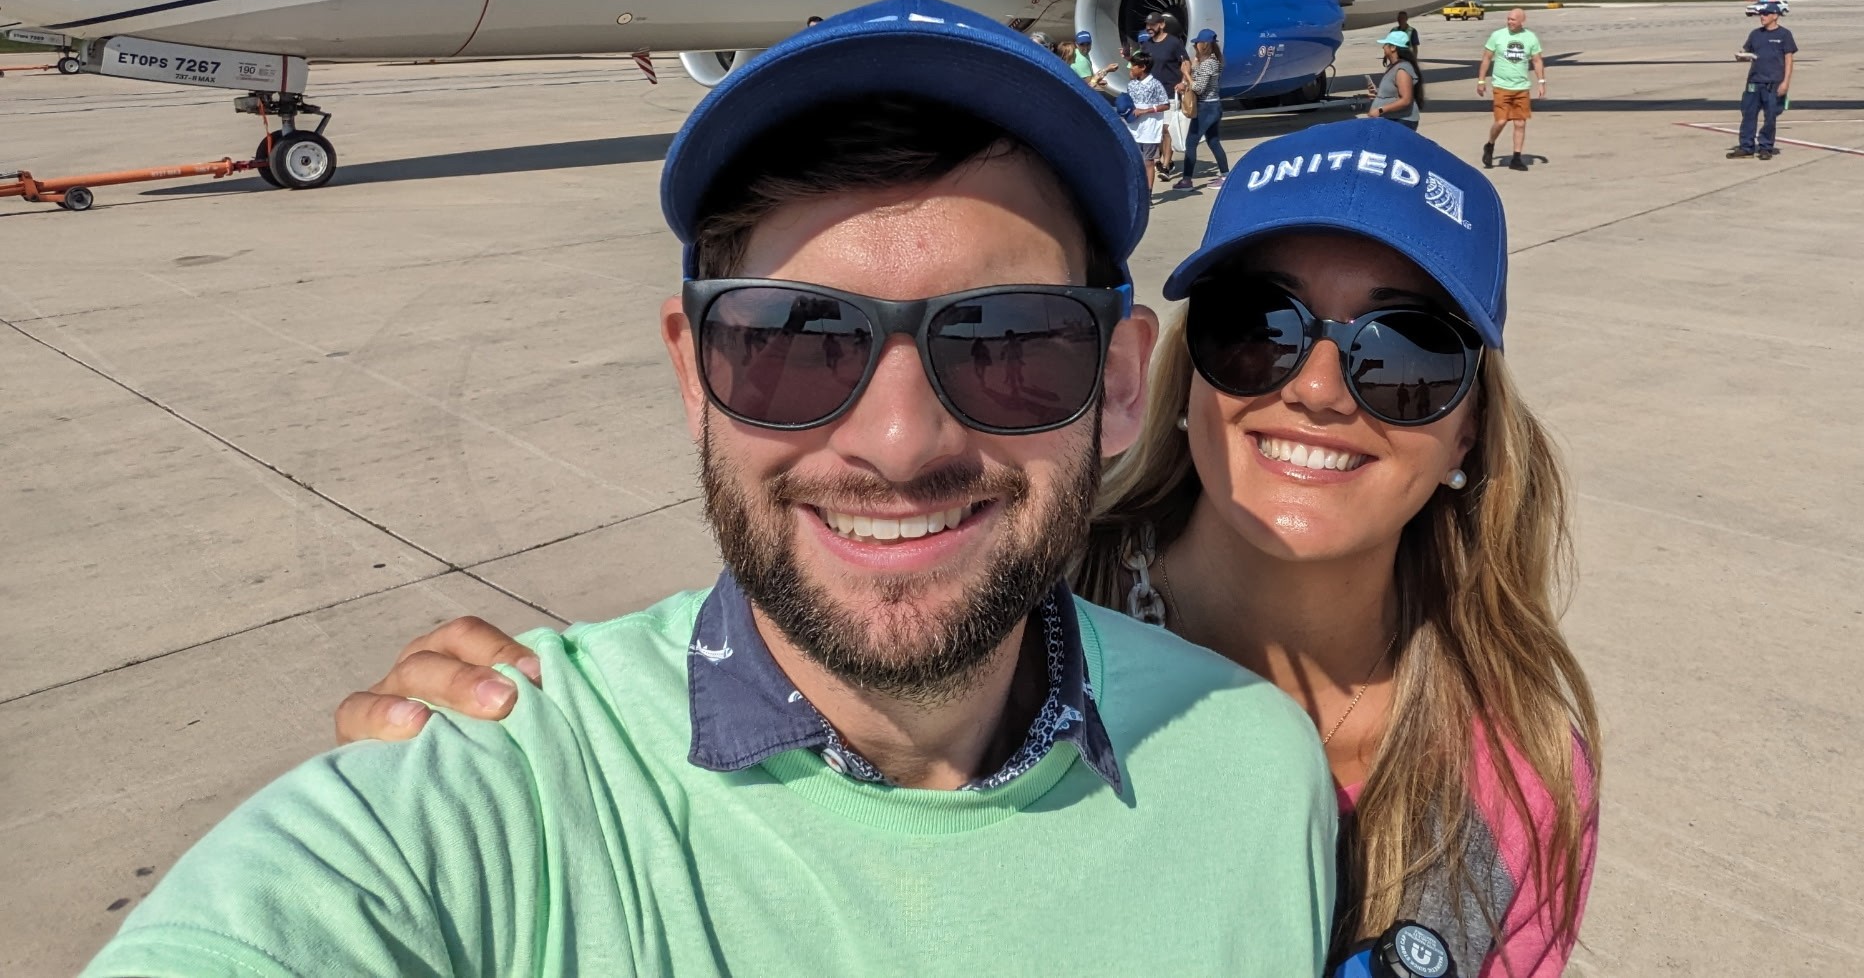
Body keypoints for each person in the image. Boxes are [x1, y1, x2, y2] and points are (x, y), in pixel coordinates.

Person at [86, 0, 1338, 978]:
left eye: (1006, 341)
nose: (896, 442)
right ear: (695, 376)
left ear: (1121, 386)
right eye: (794, 338)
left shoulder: (1258, 771)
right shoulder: (489, 791)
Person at [342, 118, 1600, 976]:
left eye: (1406, 350)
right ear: (1165, 371)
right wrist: (491, 747)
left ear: (1473, 426)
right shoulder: (1006, 600)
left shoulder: (1520, 764)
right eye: (1256, 328)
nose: (1319, 388)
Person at [1728, 0, 1797, 160]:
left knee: (1770, 116)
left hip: (1773, 83)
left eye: (1765, 14)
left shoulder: (1784, 35)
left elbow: (1789, 59)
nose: (1762, 17)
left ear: (1775, 16)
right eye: (1761, 14)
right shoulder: (1755, 34)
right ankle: (1746, 147)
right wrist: (1741, 57)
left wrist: (1785, 82)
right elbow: (1746, 52)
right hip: (1754, 82)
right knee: (1748, 114)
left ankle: (1766, 147)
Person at [1478, 9, 1545, 171]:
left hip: (1521, 87)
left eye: (1513, 20)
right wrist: (1481, 80)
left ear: (1522, 20)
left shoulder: (1530, 37)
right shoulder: (1498, 35)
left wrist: (1541, 82)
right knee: (1501, 121)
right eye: (1508, 19)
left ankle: (1516, 158)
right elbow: (1486, 58)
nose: (1509, 22)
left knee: (1520, 123)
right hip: (1501, 86)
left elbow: (1537, 61)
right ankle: (1490, 144)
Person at [1174, 28, 1229, 190]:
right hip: (1213, 106)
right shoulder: (1211, 62)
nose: (1195, 46)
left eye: (1197, 43)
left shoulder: (1209, 64)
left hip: (1207, 107)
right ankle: (1225, 175)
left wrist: (1187, 73)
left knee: (1191, 142)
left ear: (1203, 45)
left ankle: (1187, 180)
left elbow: (1198, 88)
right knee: (1213, 141)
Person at [1144, 15, 1190, 175]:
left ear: (1162, 24)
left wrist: (1184, 81)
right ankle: (1167, 161)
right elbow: (1142, 66)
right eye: (1147, 25)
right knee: (1157, 131)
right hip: (1152, 95)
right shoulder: (1147, 45)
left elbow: (1185, 62)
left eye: (1152, 25)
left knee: (1166, 129)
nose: (1149, 28)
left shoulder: (1173, 43)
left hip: (1170, 92)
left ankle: (1165, 165)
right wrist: (1128, 58)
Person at [1122, 50, 1172, 193]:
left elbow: (1166, 105)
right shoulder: (1131, 85)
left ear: (1142, 67)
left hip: (1150, 128)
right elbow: (1129, 104)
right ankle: (1137, 189)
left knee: (1148, 161)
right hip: (1134, 128)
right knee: (1134, 160)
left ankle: (1148, 192)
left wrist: (1146, 111)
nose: (1131, 68)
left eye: (1133, 65)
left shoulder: (1155, 84)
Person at [1366, 30, 1423, 130]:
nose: (1383, 47)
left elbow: (1406, 100)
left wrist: (1379, 110)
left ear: (1393, 48)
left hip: (1401, 121)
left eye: (1385, 44)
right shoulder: (1394, 67)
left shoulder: (1402, 69)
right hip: (1393, 119)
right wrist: (1378, 93)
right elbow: (1394, 93)